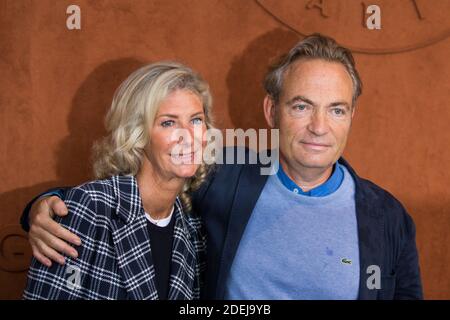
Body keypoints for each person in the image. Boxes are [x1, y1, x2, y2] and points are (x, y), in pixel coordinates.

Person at [21, 34, 423, 299]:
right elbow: (141, 189)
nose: (319, 127)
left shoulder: (387, 217)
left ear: (352, 114)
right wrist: (48, 205)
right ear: (273, 110)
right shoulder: (224, 177)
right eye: (301, 106)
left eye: (336, 109)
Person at [22, 61, 213, 299]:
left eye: (196, 120)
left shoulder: (192, 230)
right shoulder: (89, 209)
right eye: (168, 122)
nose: (188, 135)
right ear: (139, 134)